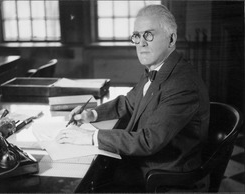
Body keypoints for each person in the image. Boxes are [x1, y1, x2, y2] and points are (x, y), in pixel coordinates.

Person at [56, 4, 210, 192]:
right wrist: (91, 115)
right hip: (144, 166)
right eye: (137, 36)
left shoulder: (182, 84)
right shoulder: (157, 68)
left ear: (171, 39)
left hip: (163, 179)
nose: (141, 43)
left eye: (149, 35)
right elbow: (128, 102)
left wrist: (91, 136)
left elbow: (148, 141)